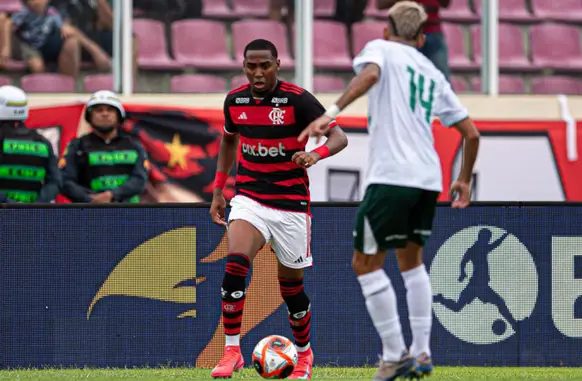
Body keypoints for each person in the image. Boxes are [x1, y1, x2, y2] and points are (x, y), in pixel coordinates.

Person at [299, 2, 480, 380]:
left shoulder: (379, 50)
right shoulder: (432, 71)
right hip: (428, 180)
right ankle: (423, 351)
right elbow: (471, 133)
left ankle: (396, 354)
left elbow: (370, 75)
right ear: (422, 38)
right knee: (412, 263)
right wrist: (462, 179)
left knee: (365, 264)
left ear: (385, 31)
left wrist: (330, 111)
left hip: (391, 177)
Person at [209, 38, 348, 379]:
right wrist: (218, 189)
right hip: (249, 197)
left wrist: (316, 154)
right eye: (251, 66)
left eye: (264, 65)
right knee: (236, 265)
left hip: (290, 205)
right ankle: (231, 351)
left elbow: (339, 137)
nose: (258, 73)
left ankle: (304, 356)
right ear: (243, 66)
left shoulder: (297, 100)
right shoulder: (235, 101)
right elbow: (229, 139)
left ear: (277, 64)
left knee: (292, 289)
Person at [59, 90, 149, 203]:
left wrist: (113, 195)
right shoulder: (77, 146)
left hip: (129, 214)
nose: (105, 114)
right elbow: (64, 181)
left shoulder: (135, 146)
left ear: (118, 116)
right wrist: (90, 199)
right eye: (99, 110)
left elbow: (140, 180)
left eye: (110, 110)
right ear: (90, 116)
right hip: (89, 215)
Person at [0, 85, 61, 203]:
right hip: (31, 217)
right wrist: (35, 206)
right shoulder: (42, 142)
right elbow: (55, 182)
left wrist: (9, 203)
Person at [0, 0, 80, 78]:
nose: (37, 2)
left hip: (44, 45)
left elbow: (62, 28)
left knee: (70, 43)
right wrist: (6, 48)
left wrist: (65, 32)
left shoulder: (52, 12)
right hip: (28, 45)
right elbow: (8, 25)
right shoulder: (24, 12)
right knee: (37, 66)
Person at [378, 0, 451, 81]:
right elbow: (380, 4)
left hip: (432, 32)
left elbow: (446, 3)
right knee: (399, 80)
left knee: (442, 79)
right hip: (403, 34)